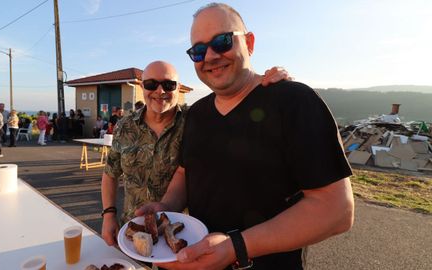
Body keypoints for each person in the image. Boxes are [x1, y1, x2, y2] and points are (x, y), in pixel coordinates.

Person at [136, 3, 354, 270]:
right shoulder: (196, 114)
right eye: (199, 50)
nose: (211, 56)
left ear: (249, 42)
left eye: (222, 41)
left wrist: (235, 247)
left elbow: (336, 210)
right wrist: (166, 206)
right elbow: (184, 172)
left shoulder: (294, 101)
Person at [100, 60, 290, 247]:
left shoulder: (197, 120)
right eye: (151, 84)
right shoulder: (125, 126)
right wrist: (108, 215)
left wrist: (268, 84)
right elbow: (110, 174)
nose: (160, 91)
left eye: (168, 84)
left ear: (178, 88)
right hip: (134, 227)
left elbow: (236, 110)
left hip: (178, 231)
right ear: (142, 87)